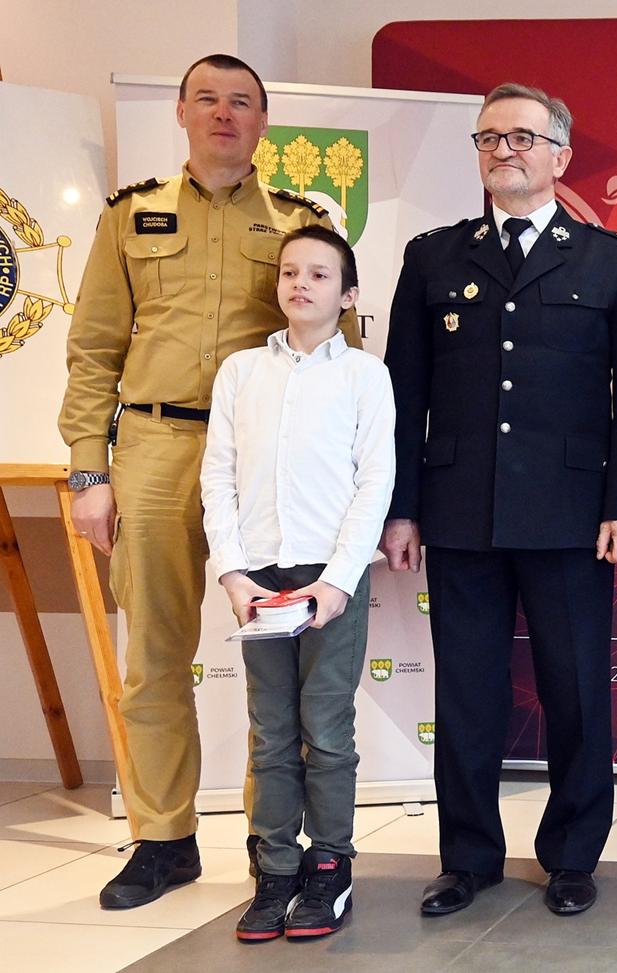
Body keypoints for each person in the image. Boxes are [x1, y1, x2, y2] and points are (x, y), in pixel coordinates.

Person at [58, 53, 360, 909]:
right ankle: (163, 838)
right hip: (155, 447)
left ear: (264, 122)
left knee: (275, 657)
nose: (224, 113)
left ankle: (274, 844)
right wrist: (89, 468)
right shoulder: (131, 216)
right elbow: (93, 352)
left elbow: (340, 351)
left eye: (241, 102)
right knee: (154, 654)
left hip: (265, 455)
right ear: (181, 113)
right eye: (207, 99)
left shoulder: (301, 223)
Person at [381, 83, 617, 918]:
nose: (505, 149)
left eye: (524, 137)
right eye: (490, 137)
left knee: (576, 689)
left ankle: (572, 855)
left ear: (560, 156)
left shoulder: (612, 261)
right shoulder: (433, 257)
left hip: (572, 514)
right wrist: (401, 506)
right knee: (467, 692)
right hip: (460, 508)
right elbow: (405, 391)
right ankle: (468, 857)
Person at [199, 226, 394, 940]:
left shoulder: (364, 375)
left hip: (328, 579)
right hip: (258, 581)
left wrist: (338, 581)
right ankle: (275, 868)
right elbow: (217, 476)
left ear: (347, 295)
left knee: (327, 729)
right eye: (290, 272)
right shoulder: (241, 372)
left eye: (319, 274)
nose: (301, 284)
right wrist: (233, 573)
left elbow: (374, 482)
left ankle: (329, 865)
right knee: (272, 731)